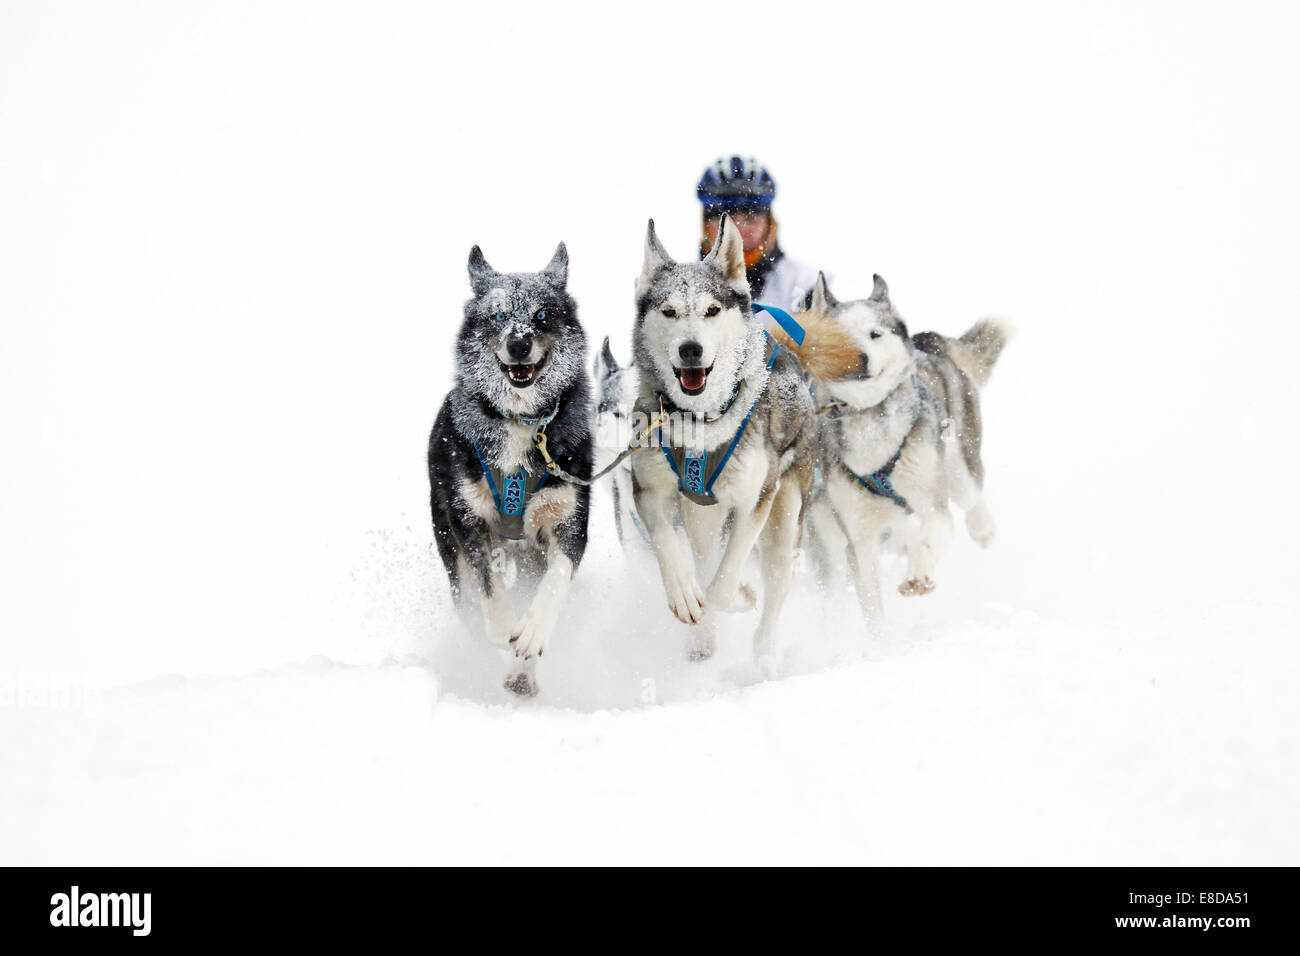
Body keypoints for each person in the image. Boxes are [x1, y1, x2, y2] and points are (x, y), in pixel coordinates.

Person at [696, 156, 822, 312]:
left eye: (751, 218)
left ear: (770, 225)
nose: (738, 230)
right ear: (705, 225)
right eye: (725, 221)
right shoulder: (680, 292)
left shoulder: (805, 285)